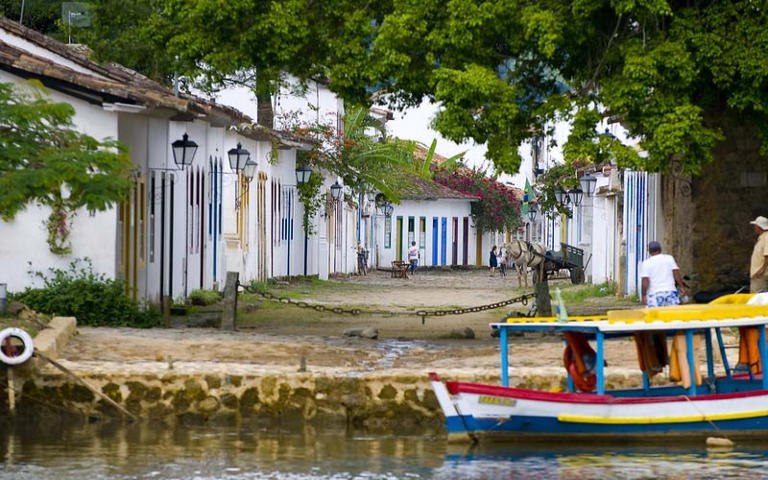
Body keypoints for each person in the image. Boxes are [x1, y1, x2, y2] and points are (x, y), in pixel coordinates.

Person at [640, 241, 686, 307]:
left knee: (654, 316)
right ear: (660, 250)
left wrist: (644, 295)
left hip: (654, 294)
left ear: (649, 252)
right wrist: (682, 287)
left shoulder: (646, 263)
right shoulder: (669, 258)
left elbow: (645, 280)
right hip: (670, 292)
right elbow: (676, 274)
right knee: (673, 315)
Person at [749, 216, 768, 293]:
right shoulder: (762, 237)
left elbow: (767, 254)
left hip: (760, 275)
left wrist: (762, 269)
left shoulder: (767, 237)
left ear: (759, 227)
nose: (754, 228)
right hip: (758, 275)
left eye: (755, 226)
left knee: (757, 298)